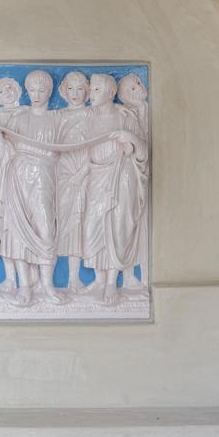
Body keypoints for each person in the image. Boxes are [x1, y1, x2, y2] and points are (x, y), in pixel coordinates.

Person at [0, 70, 64, 306]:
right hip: (18, 175)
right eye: (32, 90)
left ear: (50, 92)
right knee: (18, 231)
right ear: (27, 91)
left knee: (46, 229)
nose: (36, 95)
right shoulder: (18, 119)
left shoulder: (57, 118)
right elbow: (4, 153)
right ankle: (25, 287)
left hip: (44, 176)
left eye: (42, 90)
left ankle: (47, 285)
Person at [79, 73, 149, 304]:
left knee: (119, 226)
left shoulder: (125, 118)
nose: (91, 94)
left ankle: (111, 283)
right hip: (96, 176)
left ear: (111, 93)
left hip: (122, 177)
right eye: (91, 89)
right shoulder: (87, 118)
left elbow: (143, 153)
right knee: (92, 227)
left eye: (97, 89)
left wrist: (131, 138)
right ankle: (99, 280)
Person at [54, 71, 91, 290]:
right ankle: (47, 280)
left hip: (85, 173)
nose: (75, 93)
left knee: (79, 223)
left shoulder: (92, 114)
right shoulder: (57, 115)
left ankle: (74, 278)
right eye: (70, 88)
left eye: (80, 89)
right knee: (61, 224)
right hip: (61, 174)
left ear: (87, 91)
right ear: (63, 91)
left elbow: (96, 146)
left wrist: (83, 172)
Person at [0, 77, 22, 292]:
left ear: (18, 89)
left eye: (9, 87)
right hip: (3, 176)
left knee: (27, 227)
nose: (7, 92)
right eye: (0, 91)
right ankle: (10, 278)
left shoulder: (27, 113)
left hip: (26, 176)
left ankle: (31, 279)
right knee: (5, 226)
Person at [117, 73, 150, 288]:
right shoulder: (123, 115)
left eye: (138, 82)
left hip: (143, 178)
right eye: (131, 87)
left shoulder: (150, 112)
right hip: (128, 177)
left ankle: (145, 278)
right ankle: (127, 275)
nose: (138, 87)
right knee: (125, 223)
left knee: (144, 229)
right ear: (121, 96)